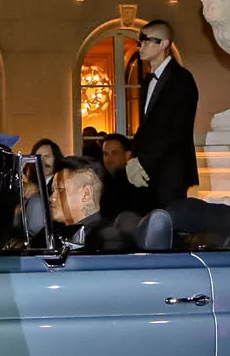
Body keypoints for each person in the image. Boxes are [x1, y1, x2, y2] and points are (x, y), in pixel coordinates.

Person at [127, 20, 199, 208]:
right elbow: (145, 127)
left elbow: (177, 131)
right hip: (148, 173)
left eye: (146, 40)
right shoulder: (147, 82)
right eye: (139, 41)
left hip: (171, 172)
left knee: (169, 222)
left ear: (164, 44)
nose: (140, 46)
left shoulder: (182, 79)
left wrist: (143, 162)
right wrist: (133, 159)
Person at [50, 156, 125, 253]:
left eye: (60, 189)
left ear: (86, 193)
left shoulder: (106, 241)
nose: (52, 198)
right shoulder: (57, 234)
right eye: (53, 190)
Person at [100, 132, 142, 219]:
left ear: (127, 155)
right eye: (105, 154)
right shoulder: (106, 180)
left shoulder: (134, 182)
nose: (109, 159)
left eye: (115, 153)